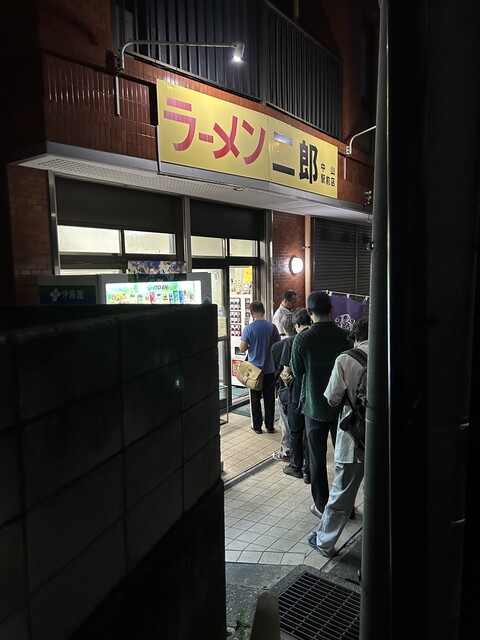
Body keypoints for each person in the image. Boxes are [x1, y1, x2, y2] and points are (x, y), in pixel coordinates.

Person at [307, 318, 369, 557]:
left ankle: (324, 543)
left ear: (356, 336)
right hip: (385, 437)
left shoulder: (346, 359)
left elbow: (332, 399)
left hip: (355, 437)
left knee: (341, 494)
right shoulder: (391, 353)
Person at [290, 290, 350, 516]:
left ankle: (322, 505)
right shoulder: (345, 336)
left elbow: (297, 371)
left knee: (316, 458)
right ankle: (345, 504)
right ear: (331, 309)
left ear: (309, 311)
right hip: (341, 406)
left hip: (314, 406)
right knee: (344, 458)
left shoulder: (302, 339)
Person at [279, 307, 312, 481]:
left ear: (297, 324)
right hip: (313, 394)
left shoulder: (292, 342)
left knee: (296, 432)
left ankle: (295, 467)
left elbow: (286, 372)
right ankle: (309, 470)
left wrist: (288, 380)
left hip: (296, 394)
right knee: (310, 434)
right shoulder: (316, 337)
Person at [239, 301, 281, 434]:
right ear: (263, 311)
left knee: (255, 399)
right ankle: (270, 426)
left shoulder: (249, 328)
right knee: (269, 399)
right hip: (269, 370)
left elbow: (242, 348)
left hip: (254, 372)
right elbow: (278, 347)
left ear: (251, 313)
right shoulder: (273, 328)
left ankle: (257, 427)